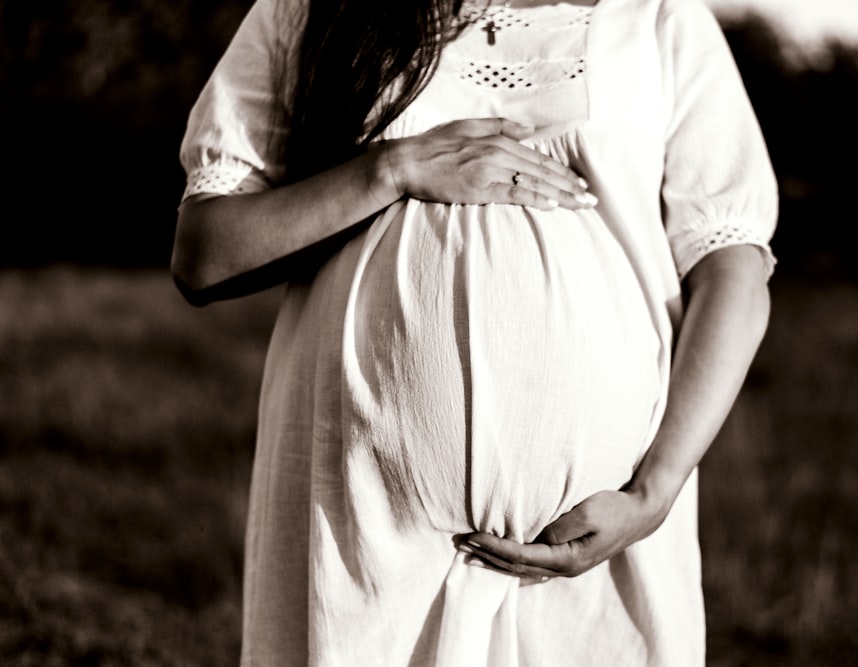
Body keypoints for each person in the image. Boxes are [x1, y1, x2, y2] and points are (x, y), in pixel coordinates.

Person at [171, 0, 778, 663]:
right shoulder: (314, 9)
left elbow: (732, 268)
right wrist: (392, 169)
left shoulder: (657, 16)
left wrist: (653, 490)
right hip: (366, 525)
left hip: (603, 537)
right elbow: (206, 253)